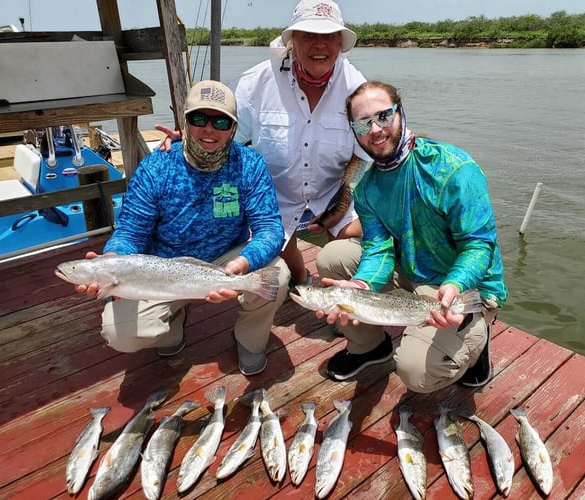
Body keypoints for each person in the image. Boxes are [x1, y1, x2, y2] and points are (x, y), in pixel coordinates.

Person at [74, 80, 290, 376]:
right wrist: (114, 258)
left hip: (227, 260)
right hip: (164, 267)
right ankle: (173, 325)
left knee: (278, 276)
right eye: (198, 119)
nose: (209, 129)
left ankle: (249, 341)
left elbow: (269, 228)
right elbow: (130, 232)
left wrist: (244, 262)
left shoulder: (250, 164)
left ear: (234, 127)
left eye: (221, 121)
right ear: (184, 121)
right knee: (119, 334)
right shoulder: (155, 167)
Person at [158, 0, 368, 288]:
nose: (320, 45)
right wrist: (188, 137)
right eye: (308, 35)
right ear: (292, 40)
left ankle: (337, 293)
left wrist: (341, 201)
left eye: (329, 36)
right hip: (274, 189)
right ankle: (300, 278)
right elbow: (221, 126)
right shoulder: (255, 82)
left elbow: (367, 148)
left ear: (341, 43)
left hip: (334, 186)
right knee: (277, 246)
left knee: (344, 244)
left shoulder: (357, 87)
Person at [314, 80, 508, 391]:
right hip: (413, 268)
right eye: (363, 123)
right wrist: (359, 286)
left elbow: (479, 246)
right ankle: (369, 348)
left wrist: (455, 283)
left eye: (383, 116)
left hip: (464, 285)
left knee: (416, 372)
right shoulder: (367, 188)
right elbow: (377, 249)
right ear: (354, 130)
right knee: (332, 257)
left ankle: (477, 338)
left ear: (401, 113)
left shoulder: (454, 169)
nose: (375, 129)